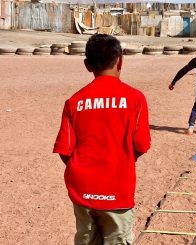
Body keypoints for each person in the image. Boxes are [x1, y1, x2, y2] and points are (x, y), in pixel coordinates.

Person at [53, 34, 150, 245]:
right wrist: (120, 161)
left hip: (82, 192)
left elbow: (64, 150)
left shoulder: (74, 101)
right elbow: (142, 145)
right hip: (118, 190)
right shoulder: (135, 98)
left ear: (87, 65)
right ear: (121, 60)